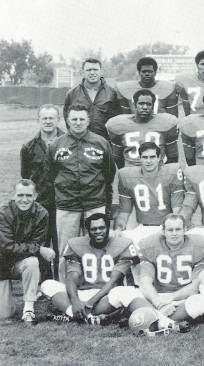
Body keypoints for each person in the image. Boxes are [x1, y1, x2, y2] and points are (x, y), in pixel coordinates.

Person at [50, 104, 114, 280]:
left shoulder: (101, 143)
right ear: (67, 121)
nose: (78, 123)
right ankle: (65, 289)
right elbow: (51, 174)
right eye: (74, 119)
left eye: (81, 119)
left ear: (88, 121)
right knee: (66, 249)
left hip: (95, 203)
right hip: (66, 205)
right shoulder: (56, 145)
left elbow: (109, 173)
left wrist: (104, 201)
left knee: (97, 246)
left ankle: (96, 284)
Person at [39, 212, 141, 324]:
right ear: (87, 231)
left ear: (108, 228)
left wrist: (89, 303)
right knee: (47, 284)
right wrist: (75, 301)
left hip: (107, 296)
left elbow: (113, 281)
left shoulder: (123, 244)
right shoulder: (76, 244)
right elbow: (72, 278)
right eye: (94, 229)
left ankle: (74, 316)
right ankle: (86, 317)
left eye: (101, 228)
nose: (98, 232)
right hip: (83, 293)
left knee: (125, 291)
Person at [130, 214, 204, 329]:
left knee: (202, 301)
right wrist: (158, 302)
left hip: (183, 298)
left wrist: (170, 298)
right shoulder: (150, 246)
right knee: (123, 292)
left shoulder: (199, 246)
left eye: (178, 229)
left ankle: (151, 319)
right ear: (163, 231)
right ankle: (169, 322)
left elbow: (195, 286)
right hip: (157, 296)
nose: (174, 233)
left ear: (185, 229)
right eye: (170, 230)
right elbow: (145, 282)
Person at [0, 180, 53, 322]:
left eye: (29, 195)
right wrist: (39, 249)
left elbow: (36, 244)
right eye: (20, 195)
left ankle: (28, 309)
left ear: (35, 196)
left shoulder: (42, 214)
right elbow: (6, 246)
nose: (24, 199)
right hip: (2, 264)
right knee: (4, 314)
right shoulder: (3, 213)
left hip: (22, 262)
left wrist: (37, 249)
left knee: (32, 262)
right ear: (13, 196)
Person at [114, 142, 185, 244]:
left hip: (165, 228)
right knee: (122, 241)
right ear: (140, 158)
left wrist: (172, 230)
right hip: (142, 228)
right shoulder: (126, 176)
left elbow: (177, 210)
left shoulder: (172, 172)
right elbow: (124, 211)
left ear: (159, 157)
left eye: (152, 157)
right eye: (145, 157)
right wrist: (118, 229)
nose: (148, 161)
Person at [20, 104, 63, 273]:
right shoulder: (28, 147)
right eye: (44, 118)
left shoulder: (68, 142)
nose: (48, 121)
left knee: (61, 243)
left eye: (51, 118)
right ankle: (45, 285)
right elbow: (25, 177)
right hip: (41, 204)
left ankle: (61, 282)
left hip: (63, 202)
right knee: (41, 244)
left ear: (58, 120)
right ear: (38, 120)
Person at [106, 89, 179, 168]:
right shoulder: (118, 124)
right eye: (141, 103)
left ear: (153, 106)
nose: (145, 107)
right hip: (132, 171)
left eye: (148, 104)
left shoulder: (166, 123)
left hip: (157, 171)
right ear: (134, 105)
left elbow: (173, 156)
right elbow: (117, 157)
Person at [63, 57, 122, 138]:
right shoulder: (72, 93)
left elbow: (118, 118)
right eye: (89, 70)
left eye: (95, 69)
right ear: (83, 72)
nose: (92, 72)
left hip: (105, 141)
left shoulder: (112, 93)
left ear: (101, 72)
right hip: (80, 140)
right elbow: (67, 118)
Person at [115, 56, 181, 116]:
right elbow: (126, 118)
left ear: (155, 73)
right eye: (144, 71)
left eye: (150, 71)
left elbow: (172, 118)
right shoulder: (125, 88)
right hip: (135, 127)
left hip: (160, 126)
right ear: (139, 73)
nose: (147, 74)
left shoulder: (168, 88)